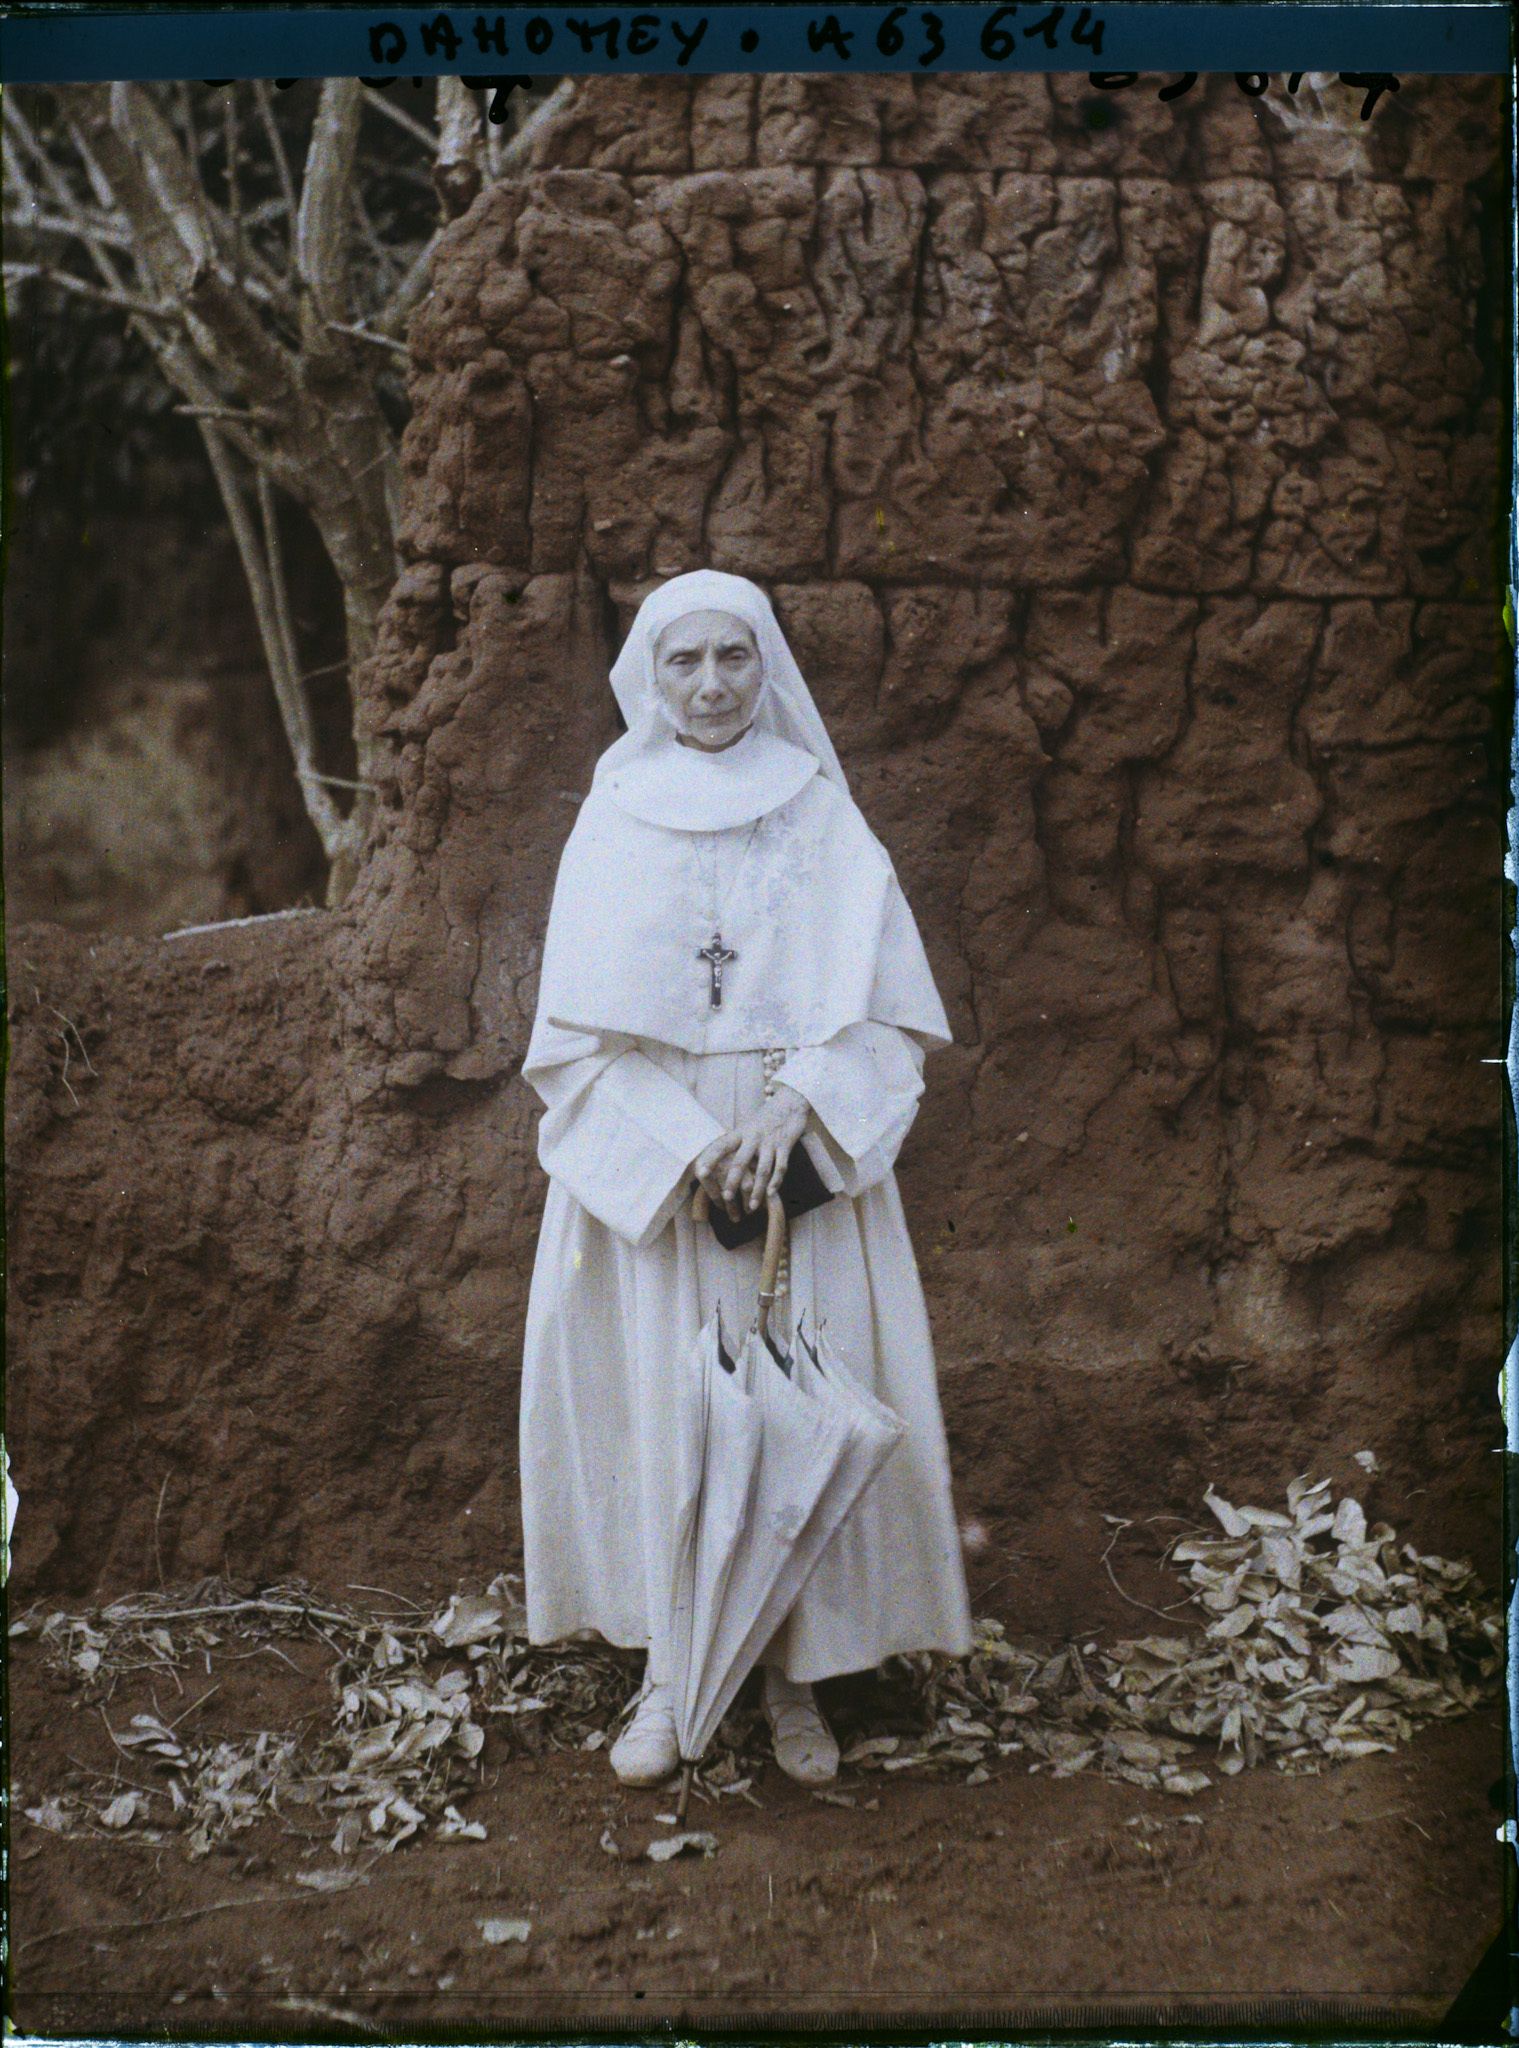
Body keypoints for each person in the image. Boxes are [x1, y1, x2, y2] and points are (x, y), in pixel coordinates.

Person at [519, 568, 972, 1788]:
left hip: (795, 1153)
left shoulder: (817, 811)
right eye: (685, 661)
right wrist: (682, 1146)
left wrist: (793, 1109)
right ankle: (675, 1674)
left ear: (764, 665)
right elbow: (572, 1040)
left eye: (733, 656)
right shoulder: (612, 814)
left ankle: (793, 1678)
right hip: (664, 1163)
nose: (711, 684)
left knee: (792, 1405)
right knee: (673, 1410)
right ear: (650, 679)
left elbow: (886, 1013)